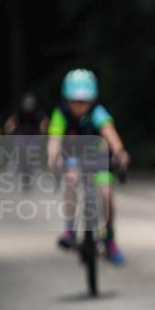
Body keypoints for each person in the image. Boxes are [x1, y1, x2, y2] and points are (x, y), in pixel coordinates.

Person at [46, 69, 130, 265]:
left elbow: (110, 132)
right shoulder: (61, 114)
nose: (80, 106)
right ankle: (70, 230)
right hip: (74, 159)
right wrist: (53, 157)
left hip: (99, 159)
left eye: (84, 101)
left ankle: (110, 239)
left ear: (92, 99)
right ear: (67, 99)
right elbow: (55, 139)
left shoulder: (98, 111)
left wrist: (120, 152)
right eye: (75, 101)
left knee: (106, 194)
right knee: (71, 179)